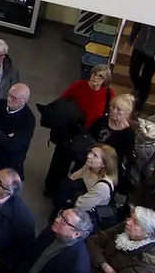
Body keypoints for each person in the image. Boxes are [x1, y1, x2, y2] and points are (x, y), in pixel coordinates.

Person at [41, 64, 111, 196]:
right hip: (70, 132)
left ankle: (68, 190)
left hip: (89, 135)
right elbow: (61, 101)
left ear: (105, 80)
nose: (95, 78)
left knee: (82, 165)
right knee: (60, 161)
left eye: (100, 76)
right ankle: (51, 187)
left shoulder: (108, 94)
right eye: (94, 74)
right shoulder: (78, 86)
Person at [81, 89, 137, 190]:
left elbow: (119, 157)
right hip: (90, 156)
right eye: (112, 107)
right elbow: (87, 134)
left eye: (119, 110)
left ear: (127, 113)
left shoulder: (128, 134)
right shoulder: (103, 120)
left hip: (107, 167)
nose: (114, 111)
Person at [0, 83, 35, 177]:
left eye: (14, 98)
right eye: (9, 95)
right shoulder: (0, 104)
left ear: (23, 101)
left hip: (8, 166)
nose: (9, 99)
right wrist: (4, 137)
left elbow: (12, 146)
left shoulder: (28, 119)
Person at [58, 143, 120, 223]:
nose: (89, 156)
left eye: (95, 156)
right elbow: (74, 177)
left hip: (81, 215)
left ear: (104, 164)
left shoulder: (103, 186)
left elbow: (81, 205)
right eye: (91, 152)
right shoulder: (90, 165)